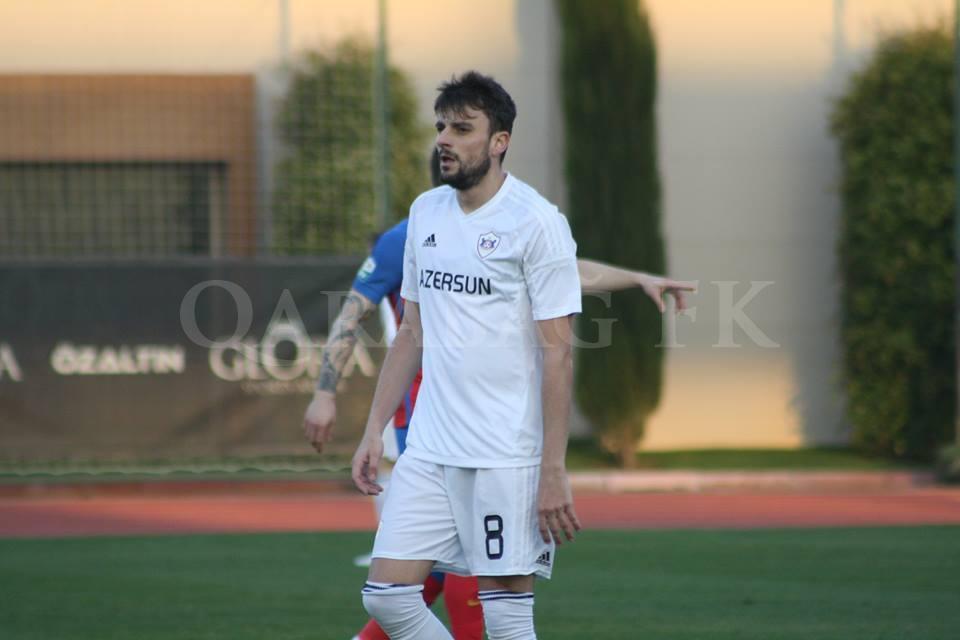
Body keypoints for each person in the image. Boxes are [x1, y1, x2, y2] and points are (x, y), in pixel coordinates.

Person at [343, 71, 688, 640]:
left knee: (506, 619)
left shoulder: (536, 222)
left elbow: (558, 356)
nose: (444, 139)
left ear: (499, 140)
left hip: (506, 457)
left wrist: (552, 470)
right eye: (441, 127)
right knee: (387, 597)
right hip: (429, 449)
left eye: (462, 128)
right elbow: (411, 334)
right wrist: (373, 429)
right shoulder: (425, 213)